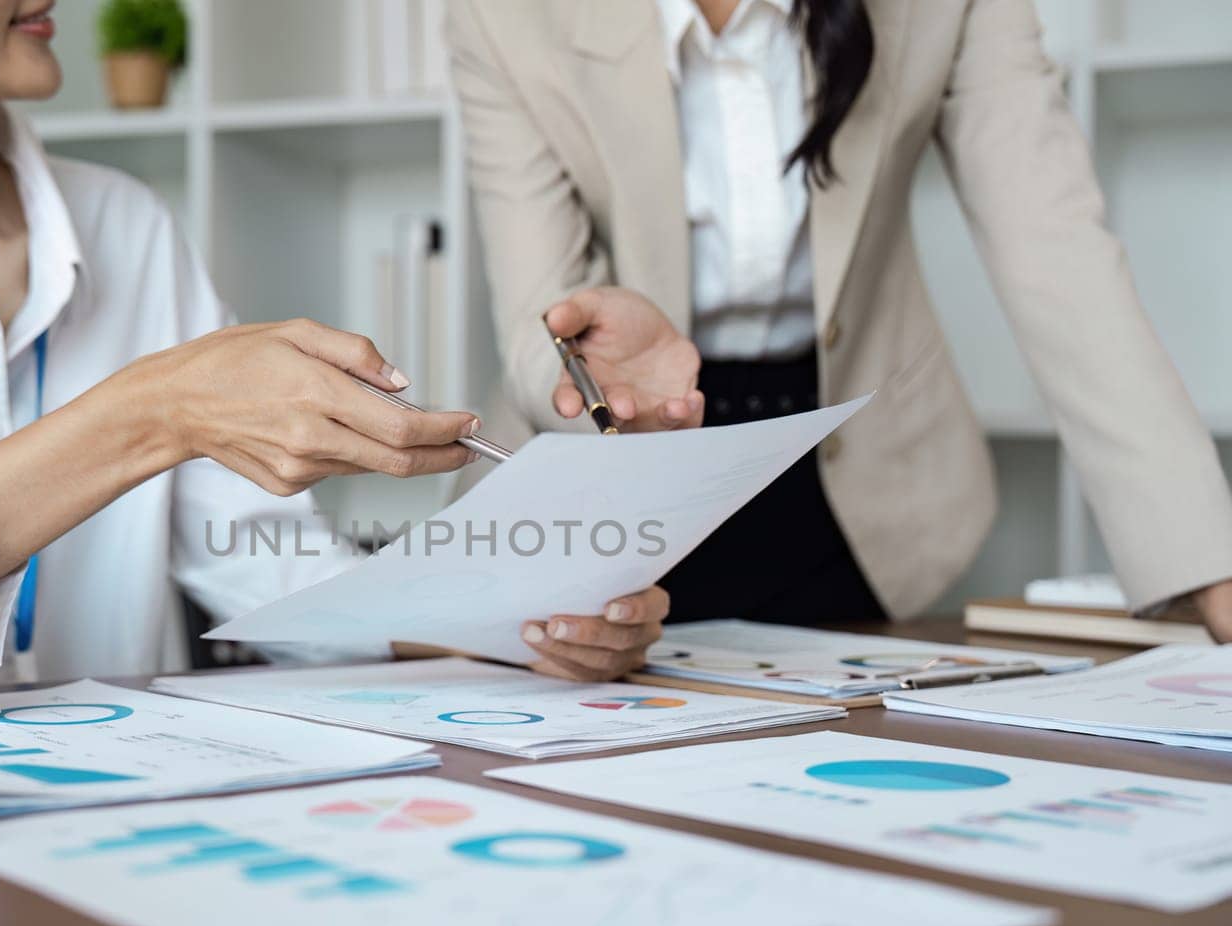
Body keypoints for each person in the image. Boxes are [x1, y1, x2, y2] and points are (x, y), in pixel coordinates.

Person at [0, 0, 671, 717]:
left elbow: (270, 567)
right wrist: (150, 414)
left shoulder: (123, 224)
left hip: (124, 833)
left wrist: (510, 626)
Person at [447, 0, 1232, 640]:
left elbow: (1058, 250)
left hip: (860, 477)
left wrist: (1207, 559)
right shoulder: (504, 14)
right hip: (629, 470)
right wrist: (593, 374)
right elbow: (535, 309)